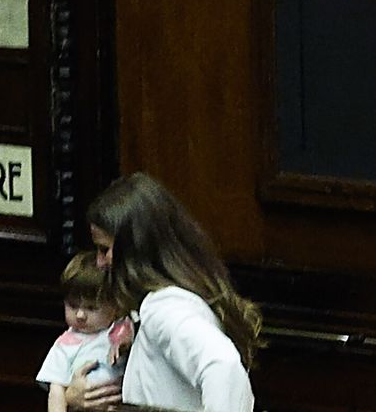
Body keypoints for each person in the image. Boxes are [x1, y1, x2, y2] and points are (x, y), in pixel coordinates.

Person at [64, 172, 262, 412]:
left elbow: (224, 368)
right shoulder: (161, 305)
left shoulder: (165, 308)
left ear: (136, 248)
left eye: (104, 249)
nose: (99, 262)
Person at [36, 251, 134, 412]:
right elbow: (56, 390)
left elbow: (129, 334)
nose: (80, 315)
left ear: (115, 305)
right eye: (73, 306)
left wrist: (123, 342)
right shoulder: (65, 344)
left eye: (91, 308)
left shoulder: (121, 327)